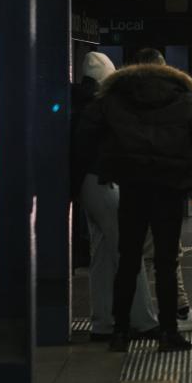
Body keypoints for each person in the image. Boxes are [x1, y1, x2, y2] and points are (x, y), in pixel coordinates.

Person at [77, 48, 192, 353]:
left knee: (128, 259)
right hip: (169, 189)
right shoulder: (185, 96)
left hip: (131, 186)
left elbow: (87, 131)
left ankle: (119, 333)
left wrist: (109, 165)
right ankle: (169, 332)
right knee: (166, 262)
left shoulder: (116, 97)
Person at [71, 51, 160, 341]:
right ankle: (144, 321)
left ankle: (103, 323)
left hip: (86, 185)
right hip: (104, 182)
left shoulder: (76, 100)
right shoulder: (102, 105)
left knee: (103, 255)